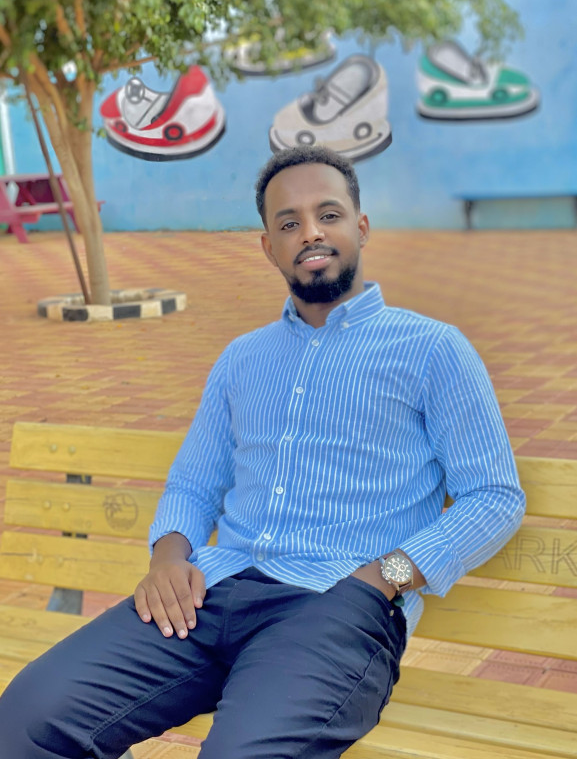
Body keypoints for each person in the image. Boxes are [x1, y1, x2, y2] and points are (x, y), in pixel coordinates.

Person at [0, 145, 525, 759]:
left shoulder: (433, 350)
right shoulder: (241, 359)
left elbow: (495, 496)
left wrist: (383, 578)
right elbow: (193, 485)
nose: (311, 233)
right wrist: (167, 557)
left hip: (335, 607)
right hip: (208, 595)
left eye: (328, 214)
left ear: (361, 227)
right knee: (26, 721)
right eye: (289, 222)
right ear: (269, 247)